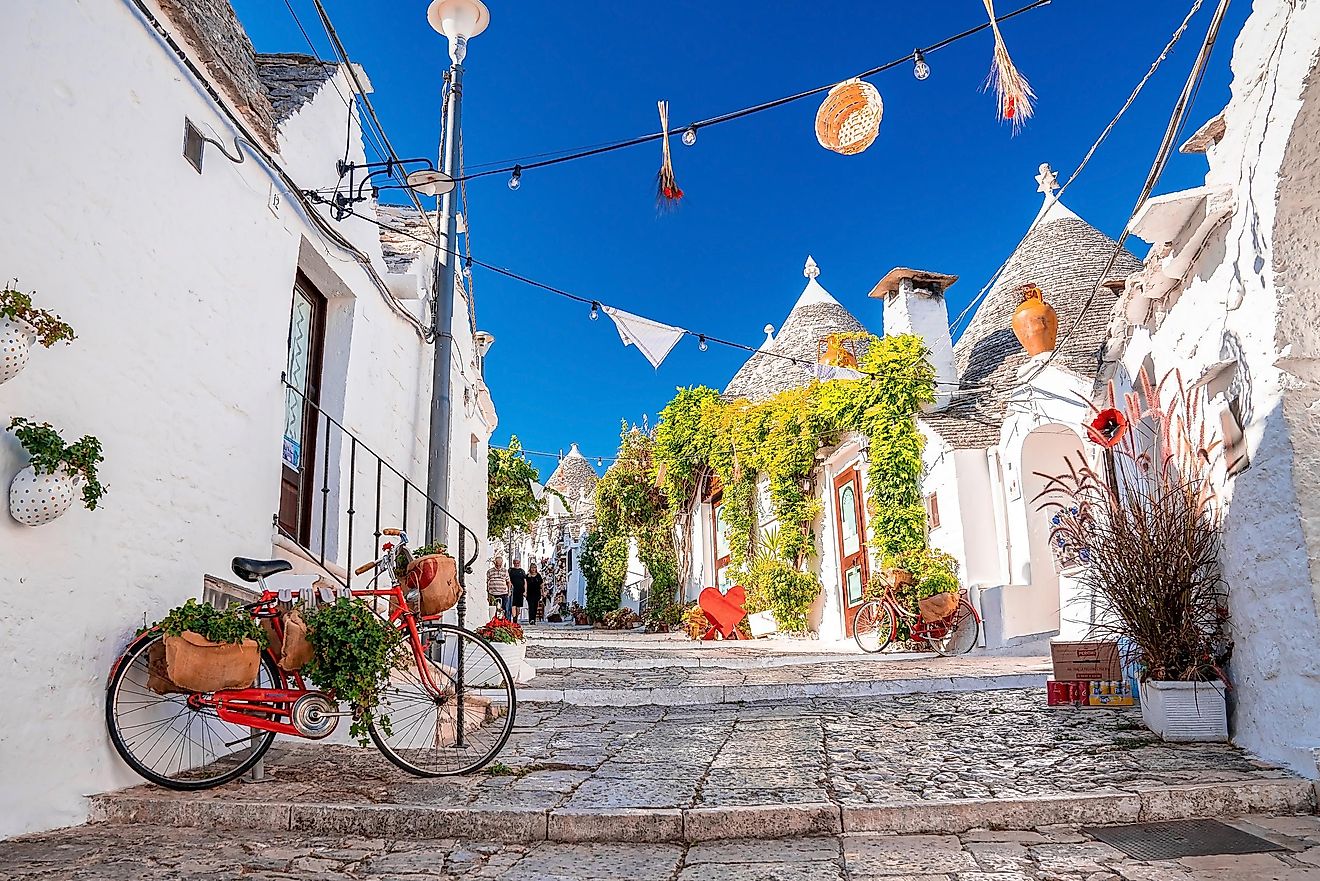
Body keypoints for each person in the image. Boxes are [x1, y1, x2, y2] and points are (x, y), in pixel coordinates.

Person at [486, 555, 512, 620]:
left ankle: (504, 622)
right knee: (493, 609)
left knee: (504, 608)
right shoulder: (490, 571)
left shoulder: (505, 571)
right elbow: (486, 581)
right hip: (493, 593)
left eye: (500, 565)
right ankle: (494, 622)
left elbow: (508, 582)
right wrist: (487, 593)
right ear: (494, 563)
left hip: (503, 592)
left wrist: (509, 591)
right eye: (497, 565)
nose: (498, 566)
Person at [508, 558, 527, 622]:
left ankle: (516, 616)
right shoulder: (510, 570)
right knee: (513, 604)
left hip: (520, 590)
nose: (516, 564)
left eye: (517, 563)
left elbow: (525, 582)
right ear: (513, 563)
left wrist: (525, 591)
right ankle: (514, 618)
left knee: (518, 606)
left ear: (519, 563)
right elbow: (509, 580)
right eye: (515, 563)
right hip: (513, 590)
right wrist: (509, 589)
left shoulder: (522, 571)